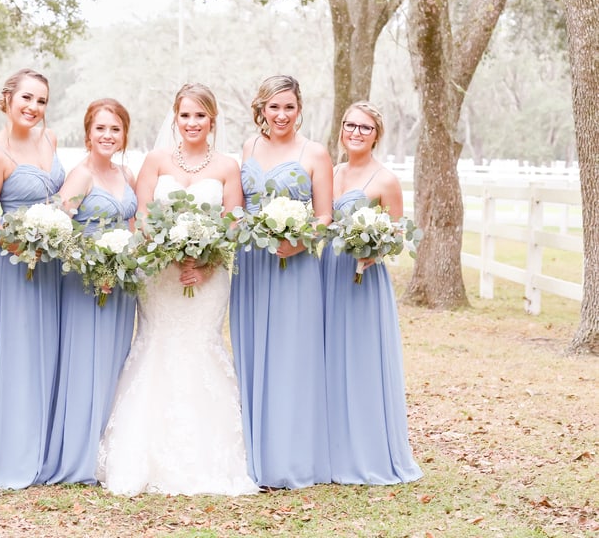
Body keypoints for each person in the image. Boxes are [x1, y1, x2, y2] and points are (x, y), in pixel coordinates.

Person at [96, 83, 257, 496]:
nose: (191, 123)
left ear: (212, 120)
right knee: (158, 344)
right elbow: (142, 213)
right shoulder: (156, 160)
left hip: (207, 275)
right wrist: (162, 248)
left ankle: (209, 453)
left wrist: (205, 261)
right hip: (159, 274)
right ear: (175, 117)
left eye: (200, 116)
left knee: (200, 345)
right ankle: (143, 451)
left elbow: (234, 220)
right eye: (185, 115)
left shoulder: (226, 166)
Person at [228, 75, 334, 488]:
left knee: (292, 356)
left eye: (289, 106)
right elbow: (236, 209)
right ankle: (256, 456)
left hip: (297, 264)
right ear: (261, 109)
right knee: (255, 355)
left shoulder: (315, 153)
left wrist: (300, 239)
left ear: (299, 108)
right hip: (253, 264)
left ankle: (291, 458)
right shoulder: (248, 148)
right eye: (274, 107)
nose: (281, 115)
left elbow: (325, 215)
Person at [0, 69, 65, 489]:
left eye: (42, 101)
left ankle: (44, 448)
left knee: (46, 351)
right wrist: (16, 246)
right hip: (15, 268)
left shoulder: (51, 140)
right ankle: (10, 451)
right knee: (16, 353)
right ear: (7, 99)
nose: (33, 107)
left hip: (51, 266)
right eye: (27, 98)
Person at [322, 101, 423, 484]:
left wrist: (373, 250)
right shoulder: (332, 173)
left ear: (376, 134)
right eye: (350, 125)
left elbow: (397, 235)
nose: (356, 132)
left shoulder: (386, 180)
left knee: (362, 359)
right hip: (329, 271)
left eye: (364, 127)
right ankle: (333, 448)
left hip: (364, 276)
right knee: (332, 355)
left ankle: (367, 449)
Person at [39, 98, 138, 485]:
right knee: (85, 364)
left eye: (115, 129)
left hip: (120, 284)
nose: (107, 135)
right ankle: (76, 455)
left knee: (112, 364)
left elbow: (131, 225)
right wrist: (94, 267)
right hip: (87, 283)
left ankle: (102, 449)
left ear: (124, 135)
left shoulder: (126, 175)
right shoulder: (80, 177)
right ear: (88, 134)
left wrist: (125, 262)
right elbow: (61, 229)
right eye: (100, 128)